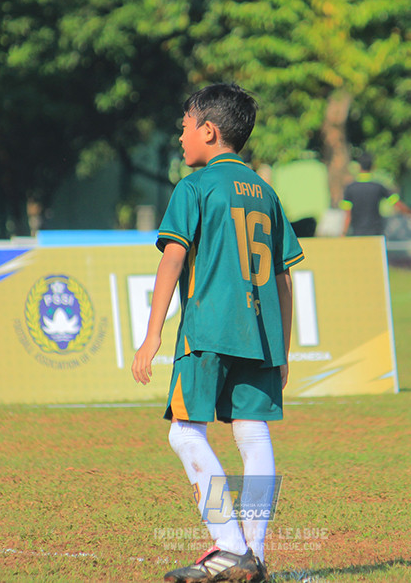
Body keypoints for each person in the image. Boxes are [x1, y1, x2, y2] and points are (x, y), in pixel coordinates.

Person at [132, 83, 303, 583]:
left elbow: (174, 256)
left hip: (207, 329)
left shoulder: (195, 187)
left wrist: (152, 334)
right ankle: (256, 554)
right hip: (261, 334)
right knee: (253, 434)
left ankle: (229, 548)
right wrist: (284, 349)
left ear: (208, 130)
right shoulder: (265, 192)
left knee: (184, 432)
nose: (180, 136)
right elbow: (285, 278)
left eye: (184, 126)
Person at [340, 153, 411, 237]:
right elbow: (397, 204)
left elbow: (347, 215)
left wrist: (343, 233)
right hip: (375, 233)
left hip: (357, 233)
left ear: (359, 167)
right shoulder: (378, 187)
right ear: (373, 167)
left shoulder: (350, 188)